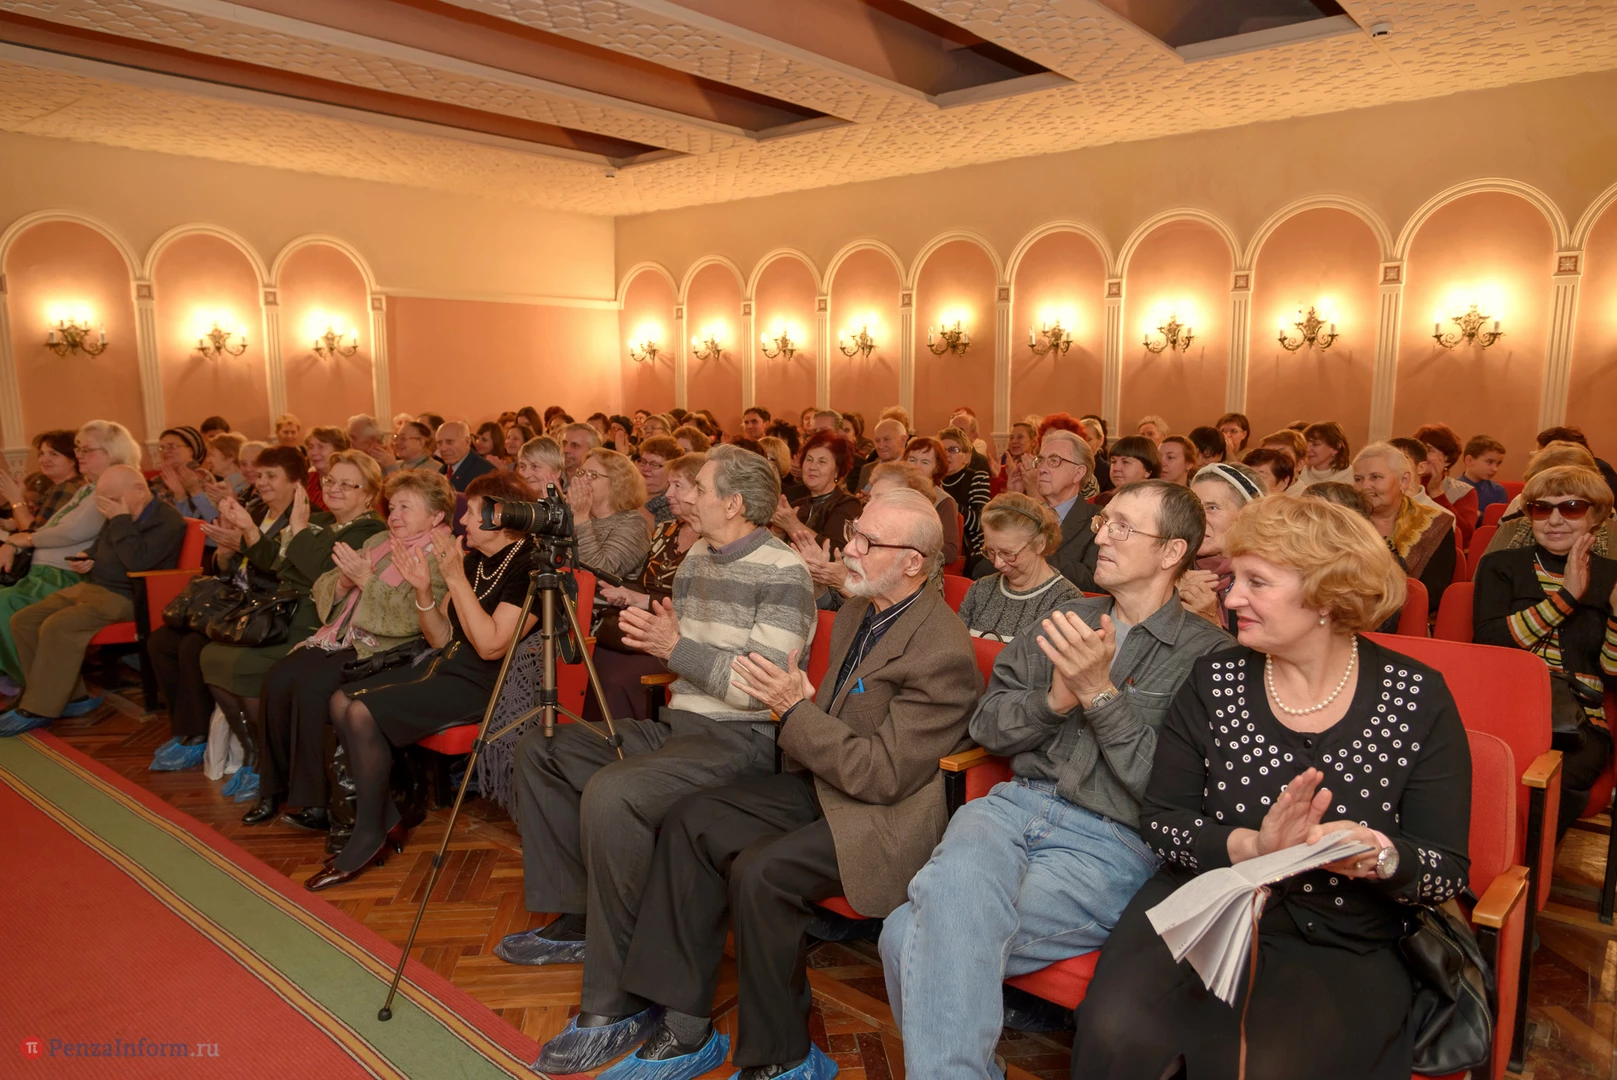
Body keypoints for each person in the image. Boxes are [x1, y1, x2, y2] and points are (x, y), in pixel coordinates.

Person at [1073, 495, 1471, 1080]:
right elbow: (1163, 821)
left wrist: (1380, 857)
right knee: (1116, 1033)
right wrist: (1255, 847)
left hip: (1343, 932)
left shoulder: (1415, 697)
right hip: (1206, 908)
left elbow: (1446, 870)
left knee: (1269, 1064)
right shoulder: (1215, 680)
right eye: (1236, 579)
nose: (1231, 598)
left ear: (1328, 595)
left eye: (1256, 582)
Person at [609, 488, 981, 1080]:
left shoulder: (941, 650)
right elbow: (834, 722)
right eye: (855, 533)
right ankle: (685, 1026)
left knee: (762, 872)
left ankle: (784, 1057)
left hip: (882, 819)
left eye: (867, 542)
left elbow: (882, 776)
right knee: (689, 820)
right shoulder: (861, 609)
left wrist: (793, 710)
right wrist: (802, 708)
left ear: (913, 562)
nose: (849, 549)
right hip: (825, 781)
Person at [880, 480, 1227, 1080]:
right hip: (1008, 809)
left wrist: (1100, 694)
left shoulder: (1208, 658)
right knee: (931, 925)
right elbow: (987, 725)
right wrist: (1054, 702)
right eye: (1105, 521)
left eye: (1123, 527)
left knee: (903, 932)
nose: (1102, 535)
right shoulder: (1063, 618)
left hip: (1110, 842)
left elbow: (1174, 796)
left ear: (1172, 552)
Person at [502, 446, 815, 1077]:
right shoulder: (699, 556)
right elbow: (694, 651)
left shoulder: (784, 572)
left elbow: (761, 688)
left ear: (734, 502)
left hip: (741, 742)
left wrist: (675, 646)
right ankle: (584, 919)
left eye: (699, 487)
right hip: (679, 726)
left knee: (614, 792)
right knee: (544, 747)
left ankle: (617, 999)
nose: (684, 496)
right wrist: (662, 629)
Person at [306, 472, 540, 889]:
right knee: (340, 700)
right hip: (447, 664)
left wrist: (454, 577)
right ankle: (387, 818)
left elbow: (491, 646)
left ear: (500, 517)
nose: (462, 520)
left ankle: (368, 834)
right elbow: (440, 637)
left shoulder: (530, 567)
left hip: (488, 684)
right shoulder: (475, 560)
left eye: (471, 512)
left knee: (360, 713)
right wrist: (422, 591)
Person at [249, 468, 451, 831]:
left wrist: (364, 580)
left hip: (392, 648)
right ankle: (274, 788)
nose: (395, 515)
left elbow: (411, 619)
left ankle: (315, 802)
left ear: (435, 516)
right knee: (278, 677)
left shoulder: (440, 555)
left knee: (313, 686)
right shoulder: (380, 541)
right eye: (393, 507)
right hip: (346, 635)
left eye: (406, 507)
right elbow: (327, 582)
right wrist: (343, 581)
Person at [1474, 465, 1617, 838]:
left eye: (1571, 507)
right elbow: (1491, 644)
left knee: (1548, 786)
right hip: (1502, 707)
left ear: (1596, 515)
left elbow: (1612, 674)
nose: (1554, 520)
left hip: (1577, 723)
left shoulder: (1612, 576)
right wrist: (1566, 597)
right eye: (1541, 508)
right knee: (1473, 777)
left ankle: (1522, 867)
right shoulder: (1500, 566)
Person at [144, 445, 309, 771]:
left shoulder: (306, 519)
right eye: (259, 475)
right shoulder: (257, 512)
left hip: (266, 609)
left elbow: (288, 572)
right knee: (161, 641)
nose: (262, 482)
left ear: (296, 482)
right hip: (235, 600)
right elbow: (229, 569)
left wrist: (246, 544)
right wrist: (223, 554)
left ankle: (197, 734)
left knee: (193, 645)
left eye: (271, 476)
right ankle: (184, 727)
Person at [2, 466, 187, 736]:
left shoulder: (167, 520)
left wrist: (120, 519)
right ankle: (70, 698)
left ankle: (39, 708)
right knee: (24, 619)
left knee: (59, 625)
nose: (106, 505)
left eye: (112, 497)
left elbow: (138, 562)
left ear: (139, 490)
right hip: (95, 587)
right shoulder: (119, 513)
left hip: (129, 597)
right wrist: (86, 556)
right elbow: (100, 545)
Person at [0, 421, 139, 694]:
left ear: (112, 452)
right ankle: (29, 682)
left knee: (5, 605)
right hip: (47, 572)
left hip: (67, 576)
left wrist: (24, 539)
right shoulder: (87, 489)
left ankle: (35, 686)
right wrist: (16, 542)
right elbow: (52, 528)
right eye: (78, 449)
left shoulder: (110, 488)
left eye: (87, 449)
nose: (79, 455)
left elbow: (73, 531)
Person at [588, 453, 705, 723]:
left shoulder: (712, 540)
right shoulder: (666, 529)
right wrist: (628, 595)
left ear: (700, 491)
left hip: (680, 634)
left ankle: (622, 741)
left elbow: (698, 604)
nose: (668, 494)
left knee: (615, 678)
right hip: (643, 624)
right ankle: (587, 740)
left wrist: (640, 599)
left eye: (677, 486)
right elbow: (645, 581)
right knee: (588, 663)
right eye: (669, 485)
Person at [957, 493, 1085, 641]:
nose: (997, 563)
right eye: (990, 551)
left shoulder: (1067, 602)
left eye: (1008, 553)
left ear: (1040, 544)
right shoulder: (979, 590)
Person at [1353, 442, 1455, 614]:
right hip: (1346, 614)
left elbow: (1432, 595)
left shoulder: (1435, 524)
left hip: (1408, 616)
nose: (1365, 487)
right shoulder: (1343, 522)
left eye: (1375, 477)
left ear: (1404, 481)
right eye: (1358, 479)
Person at [1182, 462, 1266, 632]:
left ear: (1247, 515)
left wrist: (1210, 623)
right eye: (1194, 508)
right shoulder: (1173, 572)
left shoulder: (1265, 581)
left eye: (1212, 508)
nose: (1198, 518)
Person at [571, 447, 653, 594]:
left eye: (592, 475)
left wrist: (581, 518)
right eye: (581, 473)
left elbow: (599, 575)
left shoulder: (634, 524)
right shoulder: (576, 515)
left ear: (617, 483)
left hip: (602, 606)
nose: (582, 480)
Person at [1032, 428, 1102, 591]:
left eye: (1054, 461)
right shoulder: (1024, 514)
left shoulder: (1098, 520)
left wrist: (1031, 554)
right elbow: (980, 569)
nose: (1042, 469)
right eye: (1040, 460)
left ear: (1078, 473)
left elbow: (1093, 581)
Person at [776, 430, 862, 555]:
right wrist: (778, 529)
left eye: (822, 461)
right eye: (809, 459)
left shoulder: (848, 504)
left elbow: (835, 551)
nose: (812, 466)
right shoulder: (795, 503)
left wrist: (792, 525)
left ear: (837, 471)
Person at [0, 430, 80, 535]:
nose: (44, 460)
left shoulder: (66, 488)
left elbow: (35, 534)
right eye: (42, 454)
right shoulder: (56, 486)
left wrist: (16, 500)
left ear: (73, 460)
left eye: (54, 454)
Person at [905, 436, 963, 568]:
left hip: (923, 569)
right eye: (912, 460)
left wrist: (911, 546)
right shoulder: (895, 493)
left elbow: (950, 552)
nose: (916, 467)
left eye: (925, 462)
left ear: (936, 468)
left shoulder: (944, 502)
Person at [940, 426, 992, 570]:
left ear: (967, 457)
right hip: (939, 550)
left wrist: (947, 502)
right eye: (942, 450)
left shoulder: (978, 477)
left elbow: (978, 522)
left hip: (970, 554)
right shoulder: (932, 481)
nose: (946, 454)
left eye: (953, 450)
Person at [150, 425, 219, 521]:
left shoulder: (201, 476)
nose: (165, 451)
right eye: (161, 448)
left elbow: (209, 519)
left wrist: (180, 493)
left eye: (171, 446)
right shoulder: (157, 481)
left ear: (190, 450)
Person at [1459, 435, 1509, 527]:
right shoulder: (1451, 489)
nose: (1495, 469)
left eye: (1498, 464)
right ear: (1469, 461)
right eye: (1490, 462)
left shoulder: (1498, 491)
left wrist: (1480, 515)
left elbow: (1501, 524)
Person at [434, 421, 496, 493]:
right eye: (439, 443)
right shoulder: (441, 471)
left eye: (449, 442)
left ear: (467, 442)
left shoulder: (486, 473)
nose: (443, 448)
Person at [1099, 435, 1161, 507]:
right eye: (1113, 461)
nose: (1116, 468)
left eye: (1125, 462)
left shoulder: (1160, 504)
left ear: (1147, 471)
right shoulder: (1101, 500)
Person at [852, 418, 907, 493]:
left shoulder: (911, 470)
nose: (881, 446)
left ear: (903, 440)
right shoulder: (867, 469)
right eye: (877, 441)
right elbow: (857, 497)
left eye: (886, 439)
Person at [637, 435, 682, 525]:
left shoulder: (672, 501)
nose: (646, 468)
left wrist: (634, 501)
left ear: (671, 470)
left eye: (654, 464)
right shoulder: (632, 488)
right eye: (643, 461)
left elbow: (659, 529)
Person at [303, 426, 350, 512]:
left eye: (321, 447)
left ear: (338, 450)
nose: (313, 452)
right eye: (311, 447)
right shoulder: (306, 480)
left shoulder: (350, 482)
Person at [1298, 421, 1353, 489]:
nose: (1307, 449)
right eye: (1305, 444)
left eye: (1315, 444)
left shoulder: (1352, 477)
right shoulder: (1300, 473)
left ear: (1336, 447)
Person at [204, 433, 250, 498]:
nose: (208, 460)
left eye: (213, 455)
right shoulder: (226, 484)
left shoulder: (244, 487)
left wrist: (195, 491)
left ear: (230, 457)